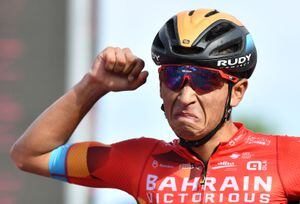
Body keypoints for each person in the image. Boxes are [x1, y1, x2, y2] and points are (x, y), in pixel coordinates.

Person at [10, 8, 300, 204]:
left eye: (203, 81)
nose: (185, 96)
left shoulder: (285, 157)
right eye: (173, 77)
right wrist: (93, 85)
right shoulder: (139, 160)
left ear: (236, 92)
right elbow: (30, 154)